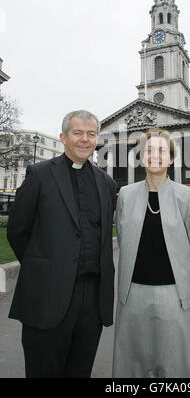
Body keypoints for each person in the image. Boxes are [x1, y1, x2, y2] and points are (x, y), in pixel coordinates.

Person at [7, 110, 116, 378]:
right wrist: (44, 266)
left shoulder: (106, 183)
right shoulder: (40, 175)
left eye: (91, 134)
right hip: (47, 296)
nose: (84, 139)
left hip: (91, 301)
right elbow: (18, 231)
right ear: (63, 137)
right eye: (77, 133)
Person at [113, 129, 190, 378]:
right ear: (142, 158)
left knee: (175, 364)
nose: (155, 156)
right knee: (132, 362)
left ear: (172, 159)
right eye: (149, 151)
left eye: (162, 151)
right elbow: (123, 237)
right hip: (133, 293)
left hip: (174, 294)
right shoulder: (127, 196)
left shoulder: (188, 196)